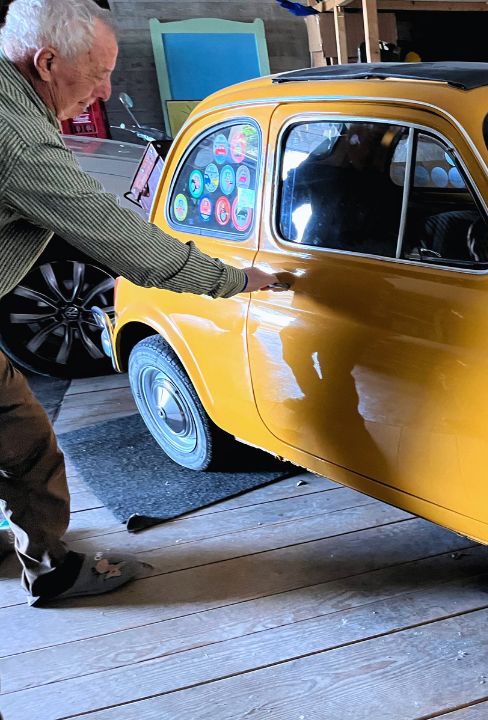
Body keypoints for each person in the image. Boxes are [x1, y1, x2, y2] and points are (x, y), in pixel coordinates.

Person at [0, 0, 282, 606]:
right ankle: (51, 572)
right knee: (23, 441)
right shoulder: (19, 138)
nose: (104, 91)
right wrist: (234, 279)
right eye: (99, 73)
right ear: (46, 62)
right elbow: (126, 242)